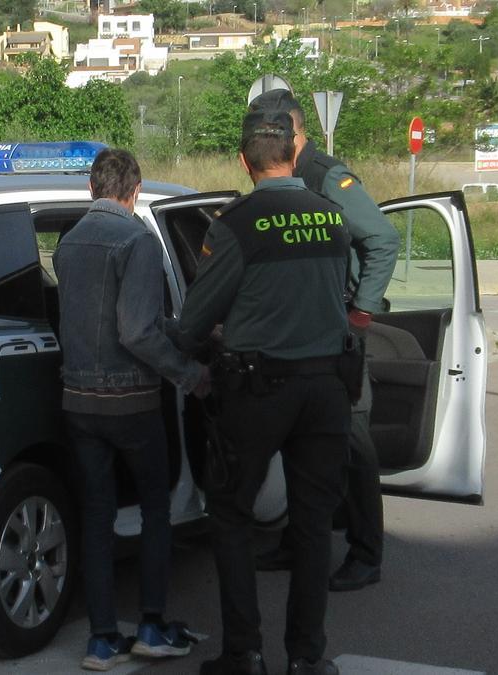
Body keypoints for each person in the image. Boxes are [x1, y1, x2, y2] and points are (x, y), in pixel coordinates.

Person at [175, 109, 354, 675]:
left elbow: (192, 322)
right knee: (311, 521)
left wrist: (207, 333)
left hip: (257, 391)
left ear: (244, 162)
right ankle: (307, 657)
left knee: (230, 514)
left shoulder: (237, 223)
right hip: (325, 388)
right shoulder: (333, 217)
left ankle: (243, 653)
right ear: (295, 156)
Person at [54, 148, 210, 671]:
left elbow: (93, 322)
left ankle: (101, 639)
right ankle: (150, 626)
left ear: (92, 189)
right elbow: (135, 330)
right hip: (132, 403)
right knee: (156, 509)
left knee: (96, 516)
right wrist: (190, 373)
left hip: (78, 402)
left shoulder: (67, 245)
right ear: (135, 189)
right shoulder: (138, 241)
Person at [248, 89, 400, 593]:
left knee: (354, 444)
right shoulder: (293, 175)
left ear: (292, 130)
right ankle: (299, 540)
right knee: (304, 442)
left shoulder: (327, 176)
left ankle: (365, 552)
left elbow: (381, 239)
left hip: (341, 329)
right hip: (310, 328)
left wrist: (361, 314)